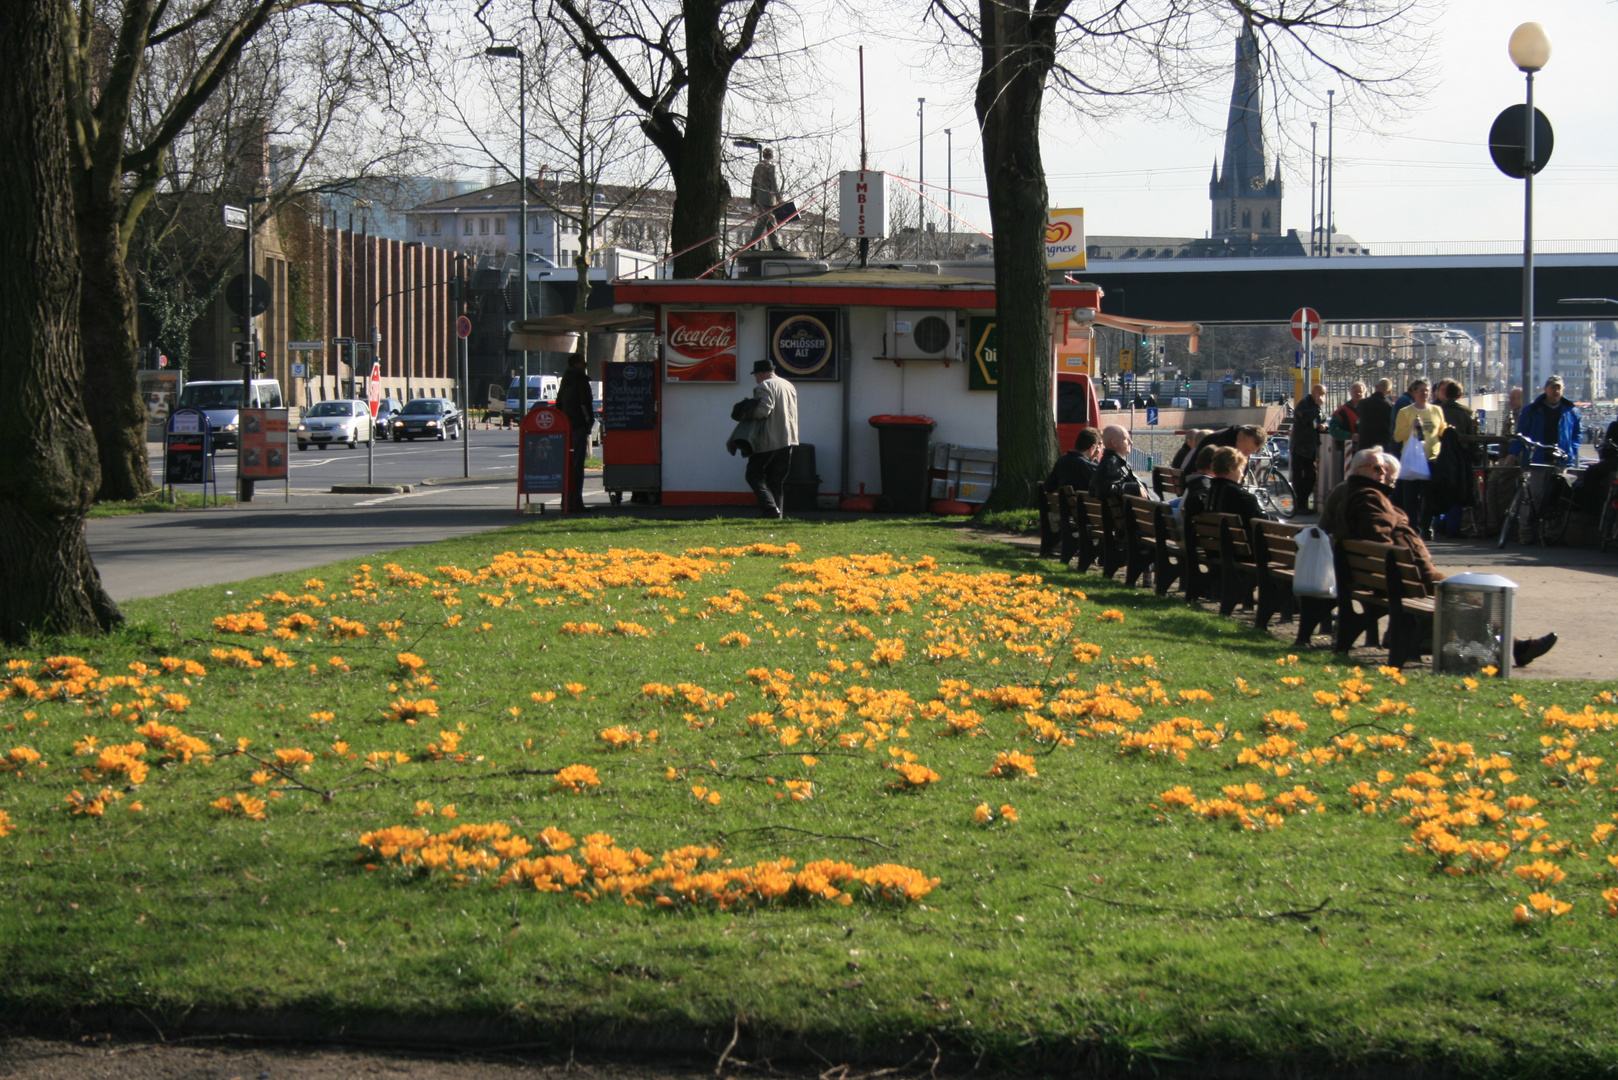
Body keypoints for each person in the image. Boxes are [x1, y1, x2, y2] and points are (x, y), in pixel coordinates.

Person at [1324, 449, 1557, 667]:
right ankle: (1515, 648)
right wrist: (1403, 561)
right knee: (1476, 600)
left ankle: (1514, 646)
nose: (1383, 472)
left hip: (1396, 579)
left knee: (1469, 598)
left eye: (1383, 467)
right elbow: (1380, 541)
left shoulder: (1359, 494)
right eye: (1376, 467)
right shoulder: (1370, 497)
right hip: (1408, 581)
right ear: (1359, 470)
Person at [1503, 375, 1582, 543]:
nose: (1556, 390)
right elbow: (1521, 433)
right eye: (1553, 387)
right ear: (1546, 389)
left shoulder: (1571, 410)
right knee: (1533, 496)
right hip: (1537, 459)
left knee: (1556, 497)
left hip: (1560, 460)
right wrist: (1513, 453)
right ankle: (1526, 532)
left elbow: (1577, 434)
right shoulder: (1532, 410)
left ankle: (1551, 533)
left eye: (1559, 387)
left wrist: (1572, 451)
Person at [741, 358, 799, 518]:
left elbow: (763, 411)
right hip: (788, 438)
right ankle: (777, 514)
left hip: (769, 438)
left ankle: (770, 509)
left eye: (756, 375)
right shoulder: (788, 384)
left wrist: (748, 412)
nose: (756, 378)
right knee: (776, 479)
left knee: (753, 474)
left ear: (760, 373)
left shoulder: (764, 386)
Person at [1391, 378, 1446, 539]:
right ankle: (1412, 528)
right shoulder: (1405, 412)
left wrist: (1449, 431)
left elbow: (1441, 430)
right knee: (1411, 498)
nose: (1425, 393)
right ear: (1414, 393)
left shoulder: (1436, 410)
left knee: (1429, 497)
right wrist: (1411, 427)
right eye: (1421, 390)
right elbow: (1397, 436)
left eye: (1427, 390)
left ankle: (1427, 526)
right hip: (1412, 461)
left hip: (1431, 459)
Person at [1039, 428, 1103, 558]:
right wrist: (1095, 461)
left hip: (1067, 513)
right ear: (1093, 447)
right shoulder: (1086, 465)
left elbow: (1048, 486)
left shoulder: (1063, 461)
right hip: (1087, 516)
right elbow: (1101, 488)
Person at [555, 354, 595, 513]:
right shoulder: (581, 381)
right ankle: (576, 502)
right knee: (577, 465)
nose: (585, 365)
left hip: (566, 425)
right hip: (578, 425)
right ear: (577, 364)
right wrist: (588, 422)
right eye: (583, 363)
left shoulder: (565, 381)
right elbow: (585, 403)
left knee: (567, 465)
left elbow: (559, 403)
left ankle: (566, 500)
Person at [1204, 446, 1268, 530]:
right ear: (1231, 468)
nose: (1242, 475)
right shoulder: (1243, 497)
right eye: (1241, 469)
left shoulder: (1210, 491)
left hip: (1215, 541)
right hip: (1239, 541)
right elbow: (1261, 524)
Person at [1291, 383, 1326, 514]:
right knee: (1299, 478)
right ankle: (1300, 505)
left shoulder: (1318, 406)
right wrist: (1317, 406)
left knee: (1311, 477)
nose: (1321, 397)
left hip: (1311, 448)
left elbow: (1321, 419)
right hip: (1300, 446)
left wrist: (1324, 426)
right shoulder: (1304, 403)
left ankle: (1303, 503)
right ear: (1313, 392)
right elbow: (1305, 418)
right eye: (1319, 393)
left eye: (1323, 394)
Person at [1183, 424, 1267, 475]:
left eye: (1251, 452)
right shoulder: (1218, 442)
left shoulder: (1236, 442)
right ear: (1240, 435)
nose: (1247, 454)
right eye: (1246, 449)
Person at [1090, 425, 1146, 501]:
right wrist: (1134, 488)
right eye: (1126, 438)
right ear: (1114, 443)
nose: (1131, 442)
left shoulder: (1108, 462)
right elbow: (1104, 490)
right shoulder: (1111, 463)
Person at [748, 147, 786, 251]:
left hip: (760, 197)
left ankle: (775, 245)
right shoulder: (770, 167)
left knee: (768, 221)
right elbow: (773, 184)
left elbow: (754, 183)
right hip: (769, 199)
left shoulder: (757, 167)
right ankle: (753, 243)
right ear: (771, 156)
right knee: (767, 221)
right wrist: (779, 198)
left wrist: (753, 198)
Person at [1356, 378, 1394, 452]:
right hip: (1382, 447)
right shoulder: (1390, 406)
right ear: (1389, 392)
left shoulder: (1362, 403)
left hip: (1364, 445)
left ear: (1376, 387)